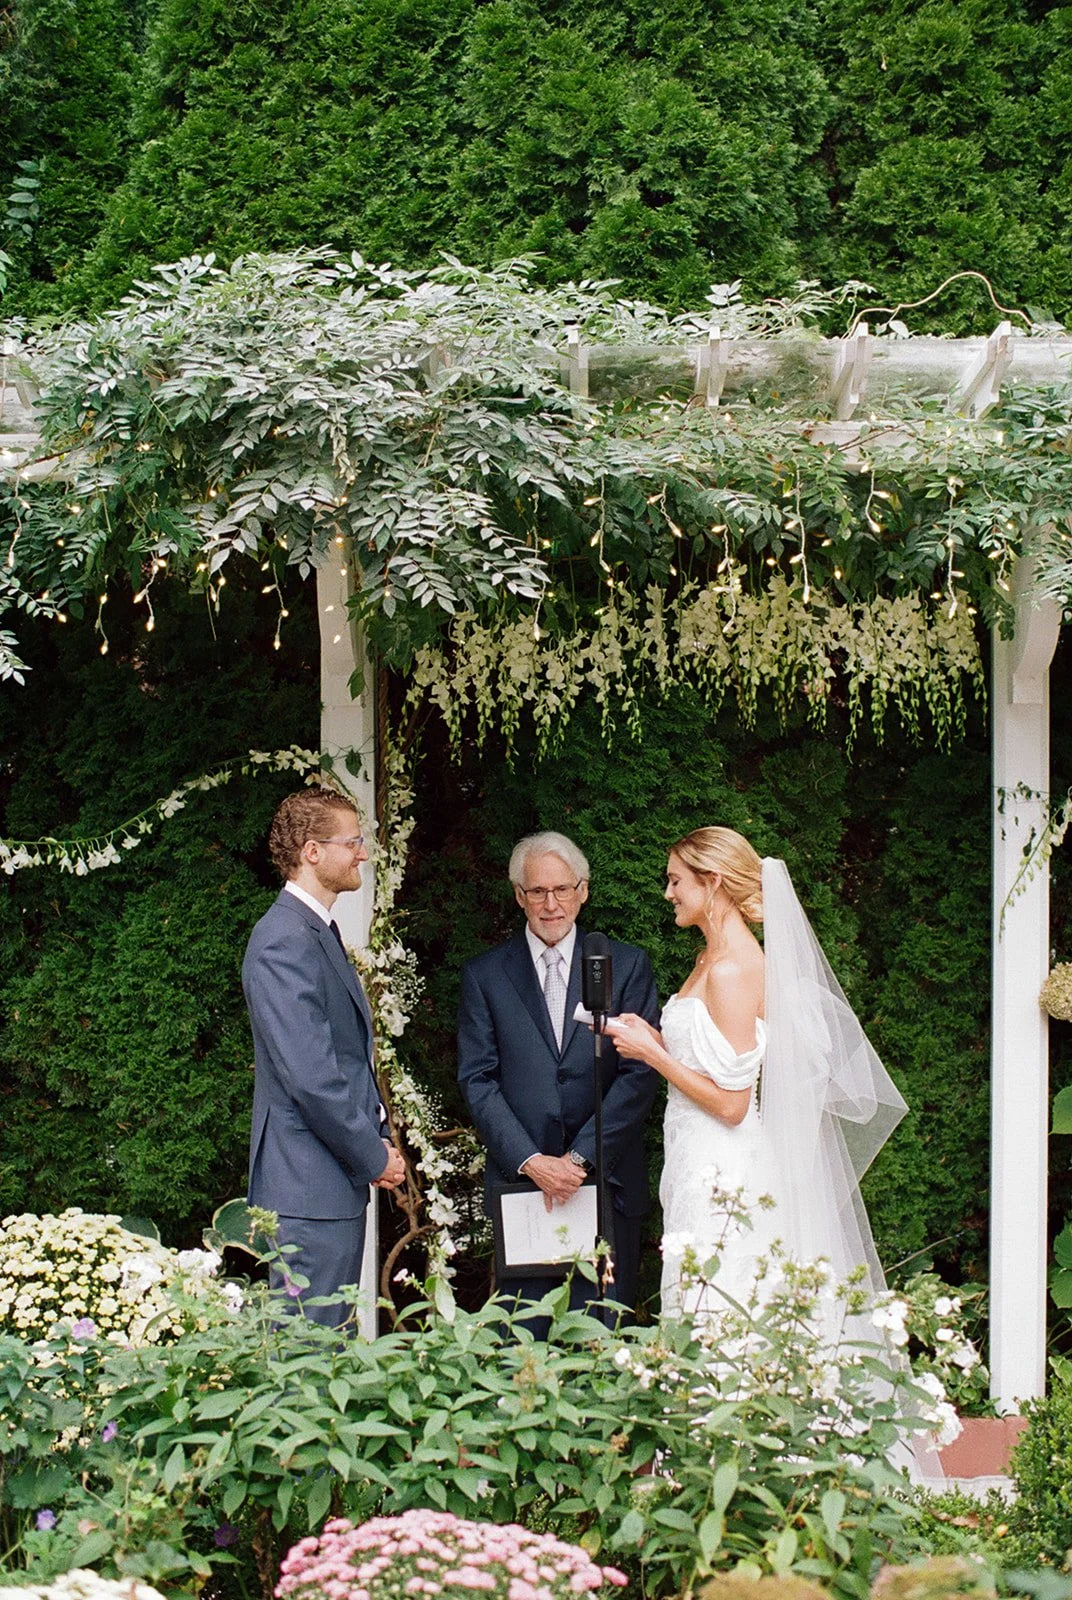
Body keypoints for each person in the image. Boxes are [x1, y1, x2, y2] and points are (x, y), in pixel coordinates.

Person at [605, 826, 907, 1323]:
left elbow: (732, 1103)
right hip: (693, 1157)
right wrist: (656, 1041)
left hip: (723, 1166)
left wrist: (653, 1057)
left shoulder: (732, 969)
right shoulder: (709, 958)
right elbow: (713, 1059)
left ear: (714, 881)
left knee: (719, 1307)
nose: (668, 893)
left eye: (676, 880)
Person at [457, 830, 660, 1323]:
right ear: (518, 896)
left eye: (562, 890)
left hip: (606, 1184)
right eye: (537, 892)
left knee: (603, 1342)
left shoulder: (625, 965)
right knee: (526, 1343)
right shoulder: (485, 975)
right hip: (524, 1187)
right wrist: (533, 1161)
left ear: (583, 890)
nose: (551, 905)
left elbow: (639, 1074)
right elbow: (477, 1079)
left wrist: (578, 1158)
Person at [243, 786, 405, 1327]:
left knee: (324, 1350)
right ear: (312, 851)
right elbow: (312, 1078)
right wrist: (374, 1155)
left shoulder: (314, 931)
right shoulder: (283, 939)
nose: (363, 853)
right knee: (305, 1361)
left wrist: (377, 1136)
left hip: (324, 1185)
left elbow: (342, 1060)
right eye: (353, 841)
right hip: (306, 1189)